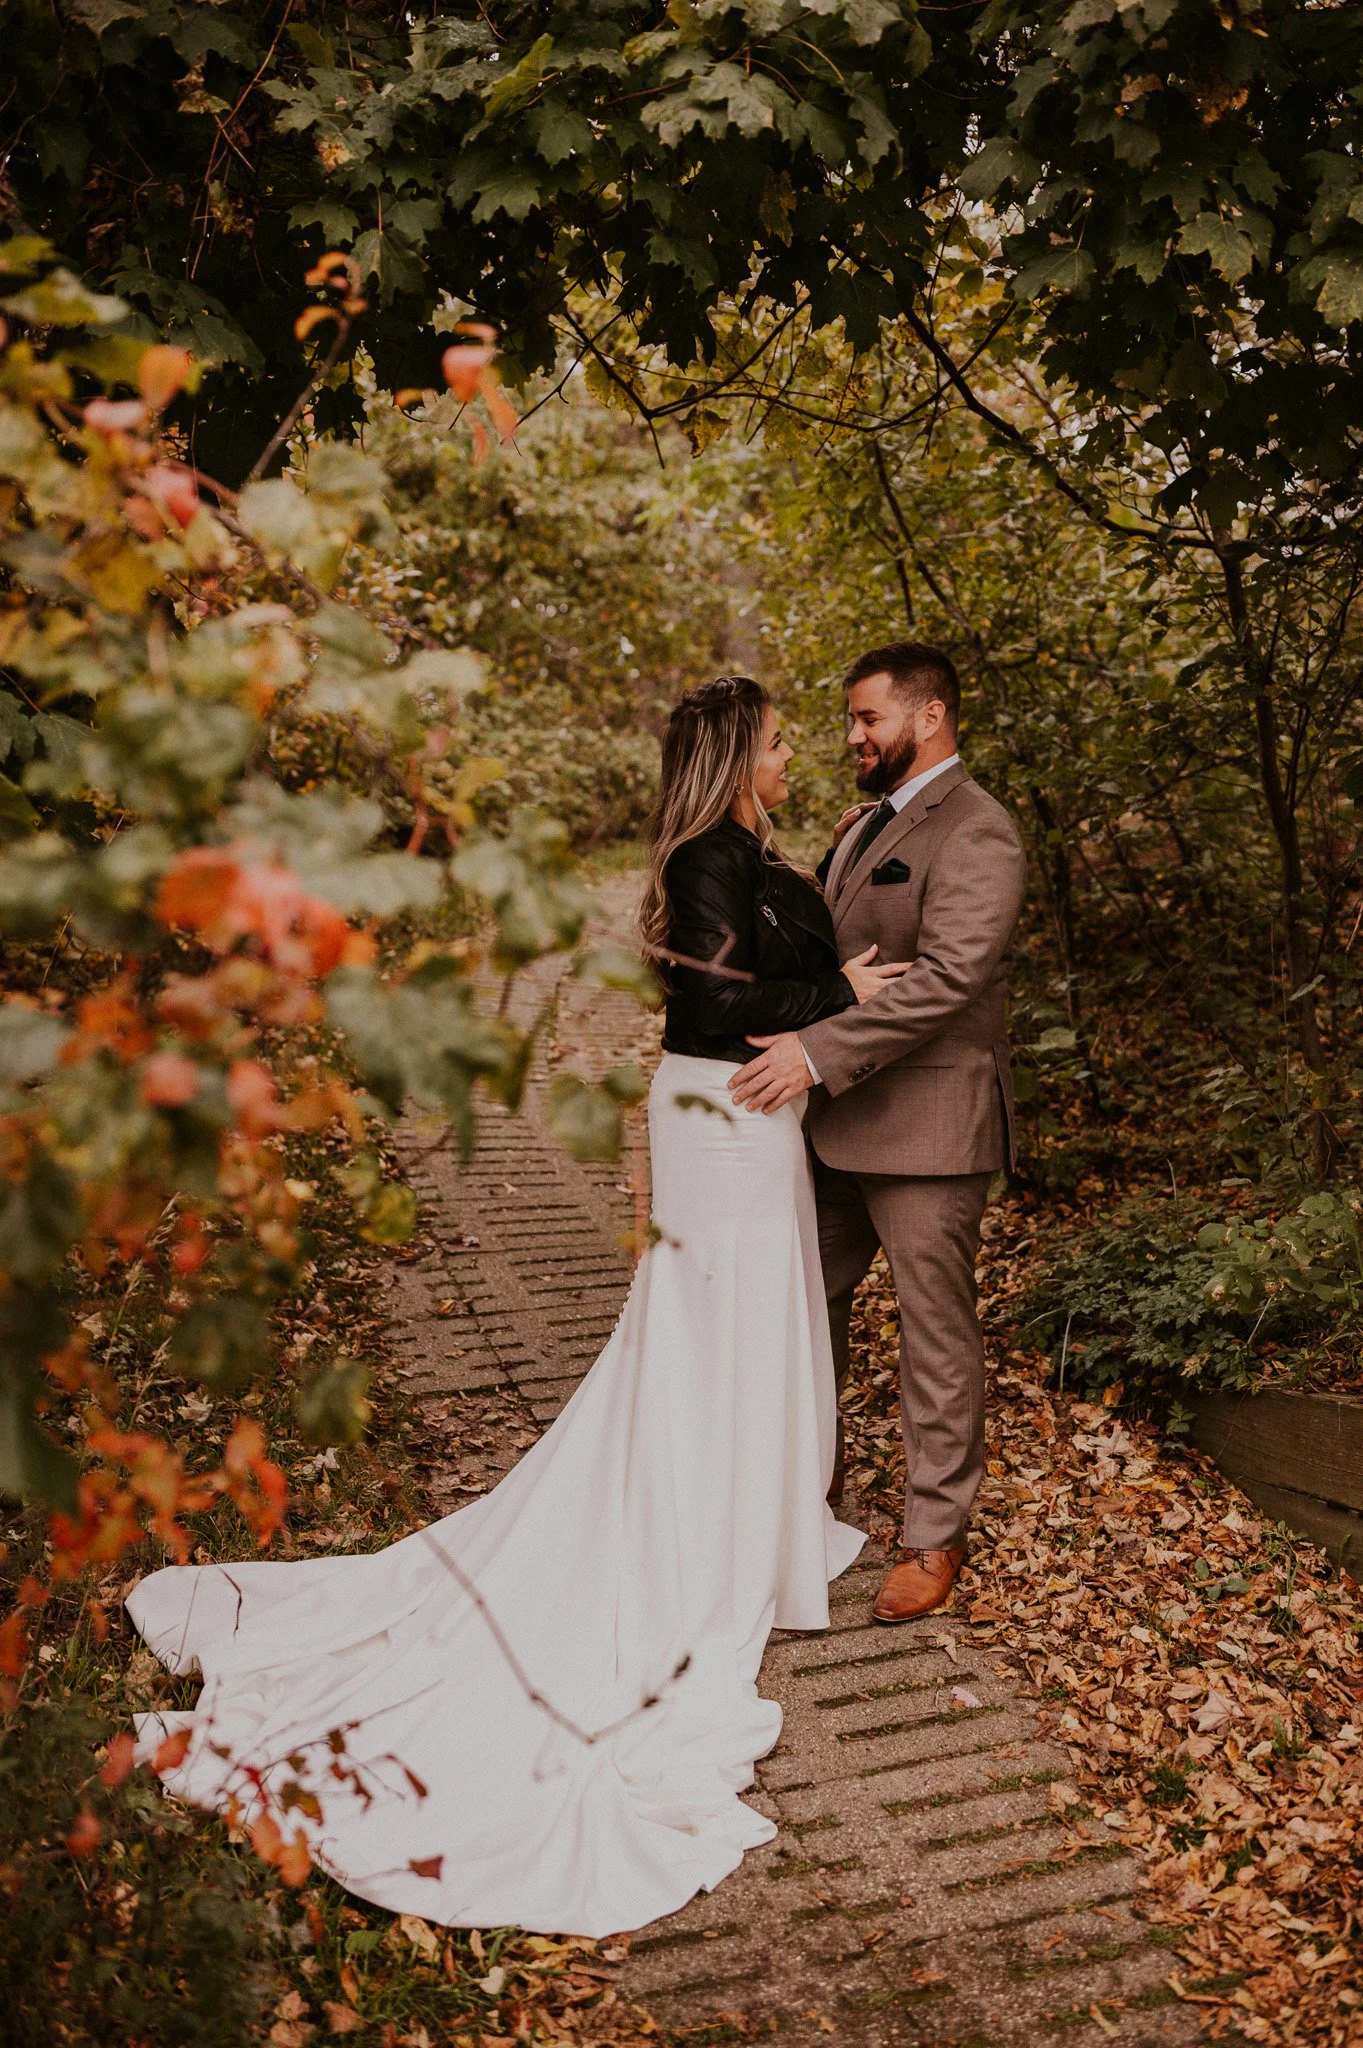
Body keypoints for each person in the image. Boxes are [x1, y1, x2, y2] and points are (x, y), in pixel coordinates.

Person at [127, 675, 898, 1939]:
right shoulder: (706, 850)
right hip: (722, 1120)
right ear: (731, 752)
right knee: (709, 1332)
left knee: (748, 1327)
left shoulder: (756, 849)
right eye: (775, 735)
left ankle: (751, 1517)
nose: (791, 747)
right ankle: (698, 1531)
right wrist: (841, 998)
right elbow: (706, 1007)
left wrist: (832, 979)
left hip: (761, 1122)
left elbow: (764, 974)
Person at [729, 643, 1027, 1627]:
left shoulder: (978, 831)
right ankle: (800, 1494)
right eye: (851, 720)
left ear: (929, 716)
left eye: (868, 719)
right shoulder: (865, 823)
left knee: (934, 1343)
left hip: (927, 1133)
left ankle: (933, 1537)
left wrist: (813, 1052)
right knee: (797, 1309)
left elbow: (946, 983)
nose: (852, 736)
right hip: (831, 1132)